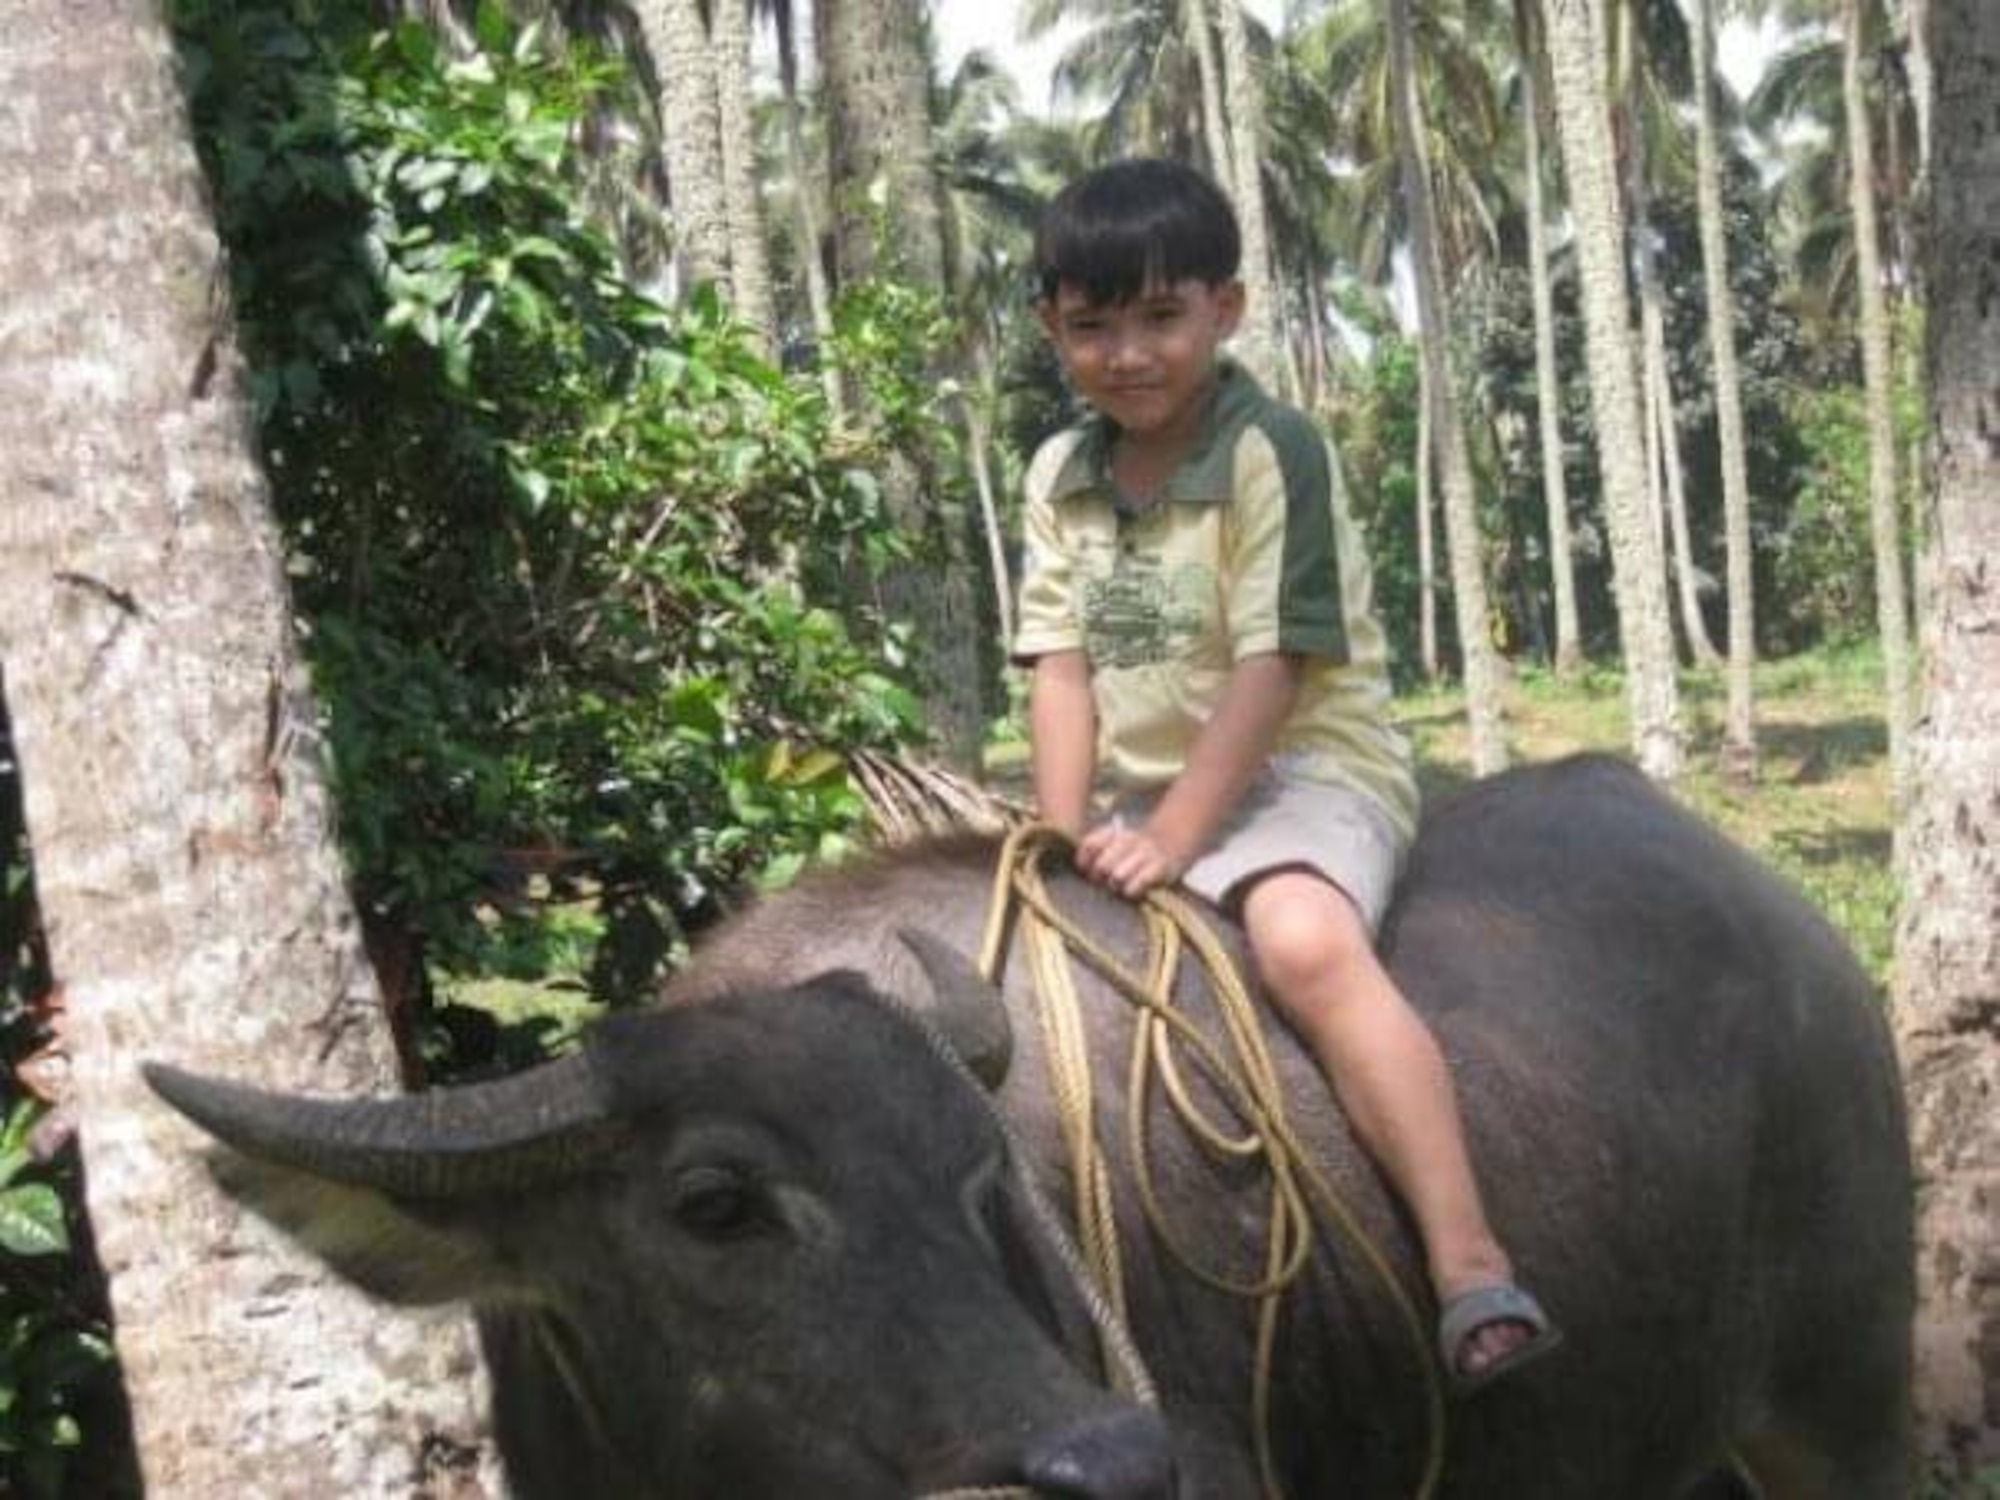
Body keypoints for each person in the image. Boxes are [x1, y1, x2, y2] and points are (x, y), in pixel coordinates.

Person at [1012, 157, 1560, 1394]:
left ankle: (1469, 1259)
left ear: (1226, 310)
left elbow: (1271, 668)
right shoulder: (1057, 476)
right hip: (1151, 793)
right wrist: (1057, 844)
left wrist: (1175, 840)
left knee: (1302, 943)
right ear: (1053, 327)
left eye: (1160, 318)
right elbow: (1060, 671)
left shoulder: (1274, 452)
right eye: (1092, 327)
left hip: (1306, 767)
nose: (1128, 354)